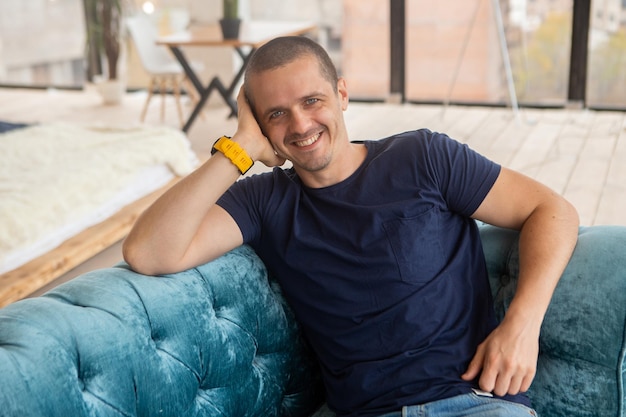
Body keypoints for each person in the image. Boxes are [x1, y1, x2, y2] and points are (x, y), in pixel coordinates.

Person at [123, 36, 579, 417]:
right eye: (276, 114)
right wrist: (238, 147)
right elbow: (149, 251)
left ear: (342, 94)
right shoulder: (264, 201)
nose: (300, 125)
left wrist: (522, 323)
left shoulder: (423, 158)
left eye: (312, 101)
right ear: (259, 123)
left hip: (475, 404)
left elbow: (553, 210)